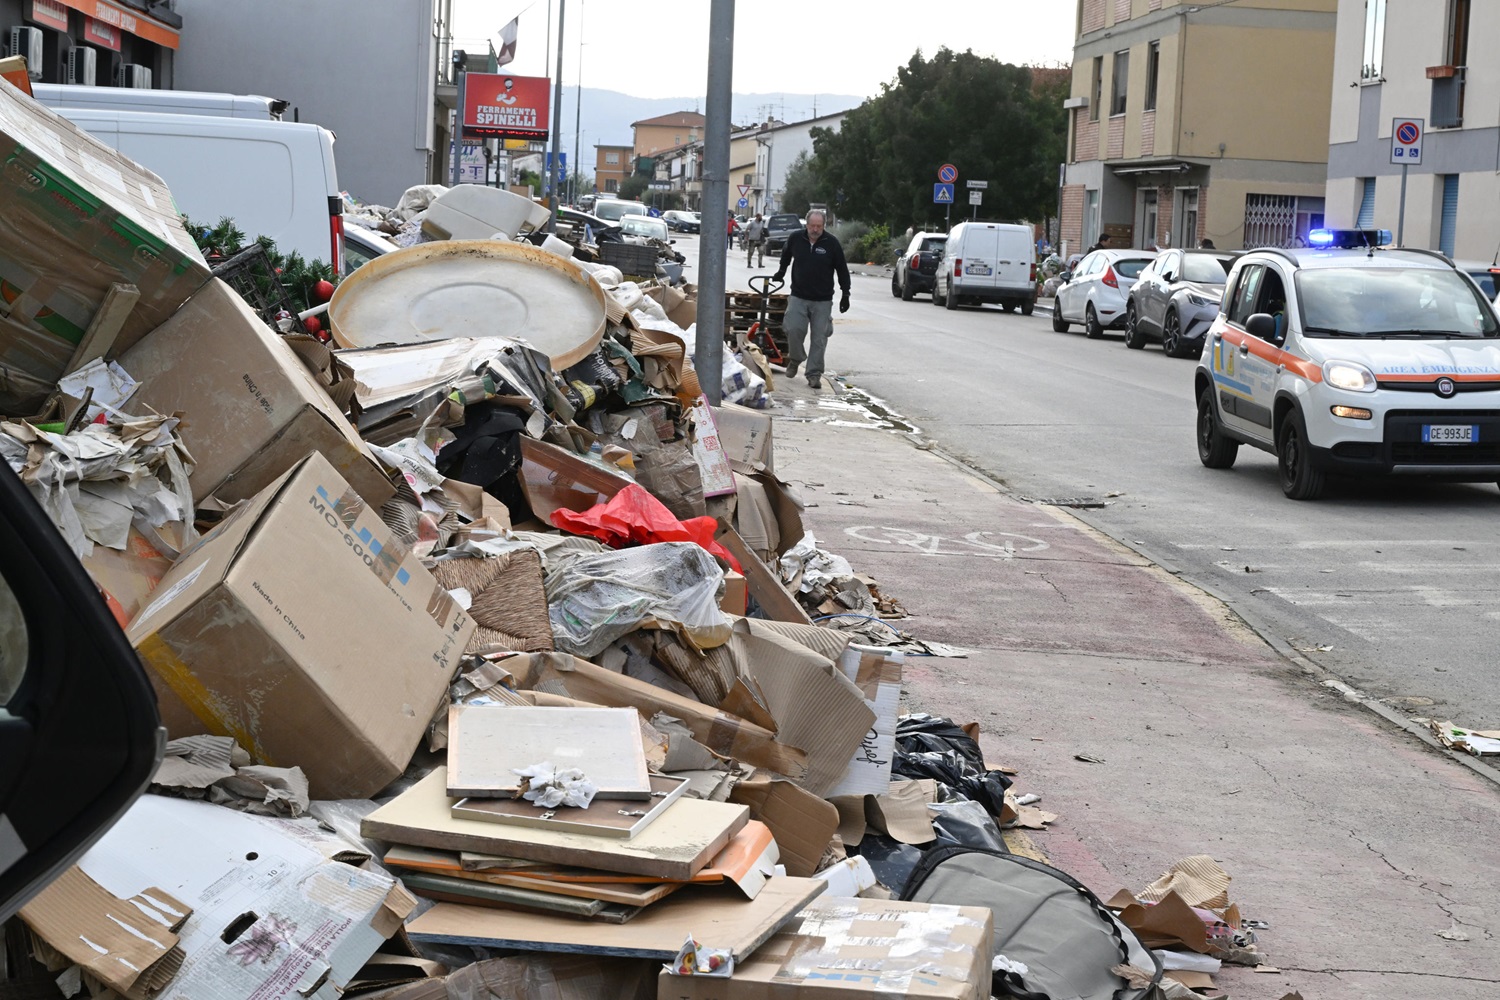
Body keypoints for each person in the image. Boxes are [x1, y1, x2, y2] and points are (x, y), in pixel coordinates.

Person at [771, 209, 850, 390]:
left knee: (819, 338)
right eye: (812, 226)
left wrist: (846, 293)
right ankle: (796, 358)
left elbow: (842, 269)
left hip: (822, 299)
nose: (815, 229)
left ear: (823, 226)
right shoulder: (796, 238)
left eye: (819, 226)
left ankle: (814, 374)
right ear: (806, 225)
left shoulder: (831, 243)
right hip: (799, 295)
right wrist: (781, 272)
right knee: (792, 328)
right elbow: (786, 255)